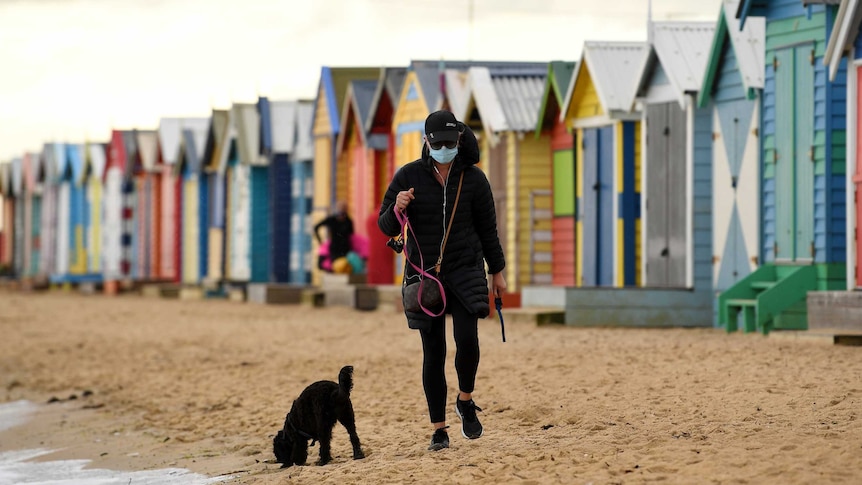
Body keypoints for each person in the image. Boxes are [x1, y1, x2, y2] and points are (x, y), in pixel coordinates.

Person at [377, 110, 507, 451]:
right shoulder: (408, 176)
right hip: (424, 277)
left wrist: (498, 271)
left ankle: (465, 400)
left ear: (459, 140)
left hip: (465, 270)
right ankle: (439, 429)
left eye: (450, 143)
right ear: (426, 142)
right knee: (433, 351)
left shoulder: (475, 180)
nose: (444, 148)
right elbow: (385, 225)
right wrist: (396, 208)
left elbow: (488, 231)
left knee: (468, 341)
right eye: (438, 143)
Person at [314, 200, 354, 272]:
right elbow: (316, 227)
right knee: (334, 267)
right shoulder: (332, 219)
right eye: (340, 208)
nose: (342, 210)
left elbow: (352, 236)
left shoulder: (348, 221)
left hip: (345, 249)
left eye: (344, 208)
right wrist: (320, 241)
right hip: (334, 249)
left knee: (343, 268)